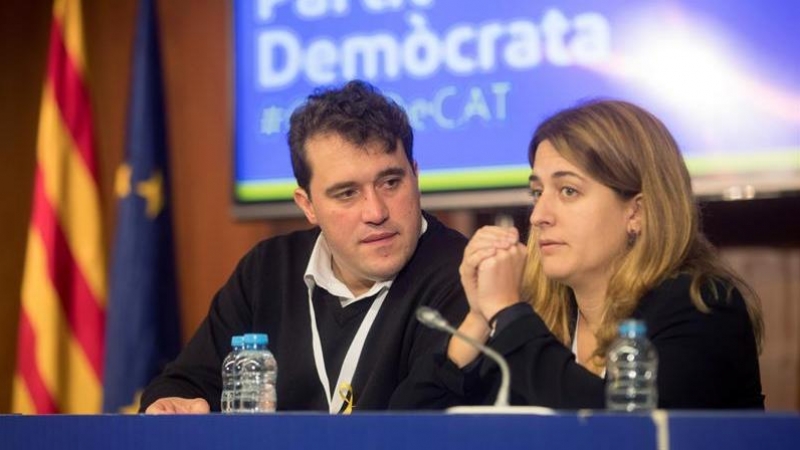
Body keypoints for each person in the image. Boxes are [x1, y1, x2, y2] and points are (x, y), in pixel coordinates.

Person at [391, 99, 764, 410]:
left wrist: (508, 314)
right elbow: (404, 427)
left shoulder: (703, 307)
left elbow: (618, 432)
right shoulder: (543, 313)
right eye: (538, 193)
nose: (539, 216)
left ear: (636, 212)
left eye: (568, 191)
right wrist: (477, 318)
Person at [140, 80, 468, 413]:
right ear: (307, 204)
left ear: (415, 176)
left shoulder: (461, 274)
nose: (376, 212)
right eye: (347, 193)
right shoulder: (268, 271)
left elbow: (424, 420)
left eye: (391, 183)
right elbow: (184, 383)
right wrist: (172, 405)